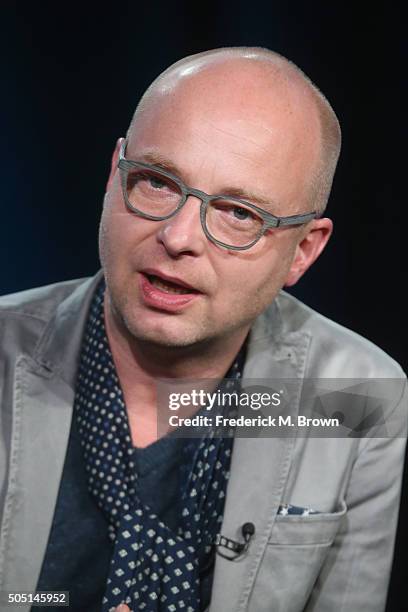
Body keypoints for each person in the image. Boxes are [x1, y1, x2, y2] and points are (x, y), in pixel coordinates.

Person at [0, 47, 406, 612]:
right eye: (157, 182)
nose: (178, 236)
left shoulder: (358, 395)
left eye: (240, 212)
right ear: (113, 177)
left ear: (302, 251)